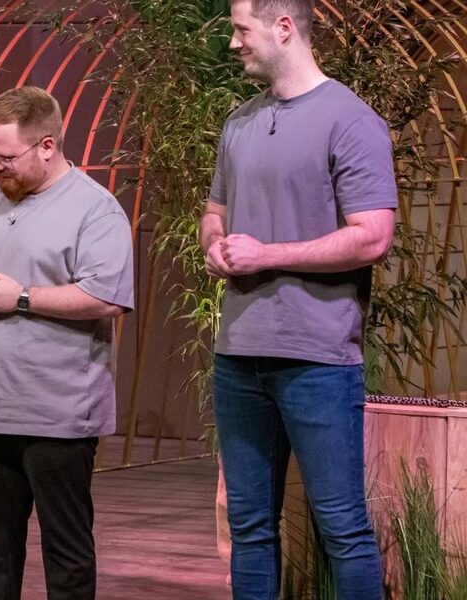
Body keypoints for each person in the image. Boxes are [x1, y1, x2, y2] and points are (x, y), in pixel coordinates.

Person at [200, 1, 397, 597]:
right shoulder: (239, 122)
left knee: (342, 529)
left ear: (283, 28)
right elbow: (215, 213)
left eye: (241, 29)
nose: (233, 43)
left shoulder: (350, 120)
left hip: (317, 358)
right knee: (250, 527)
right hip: (238, 353)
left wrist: (268, 255)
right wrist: (214, 244)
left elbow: (373, 235)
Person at [0, 85, 134, 600]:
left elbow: (106, 297)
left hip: (61, 413)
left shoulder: (96, 209)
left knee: (65, 552)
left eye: (6, 157)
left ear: (46, 146)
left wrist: (19, 296)